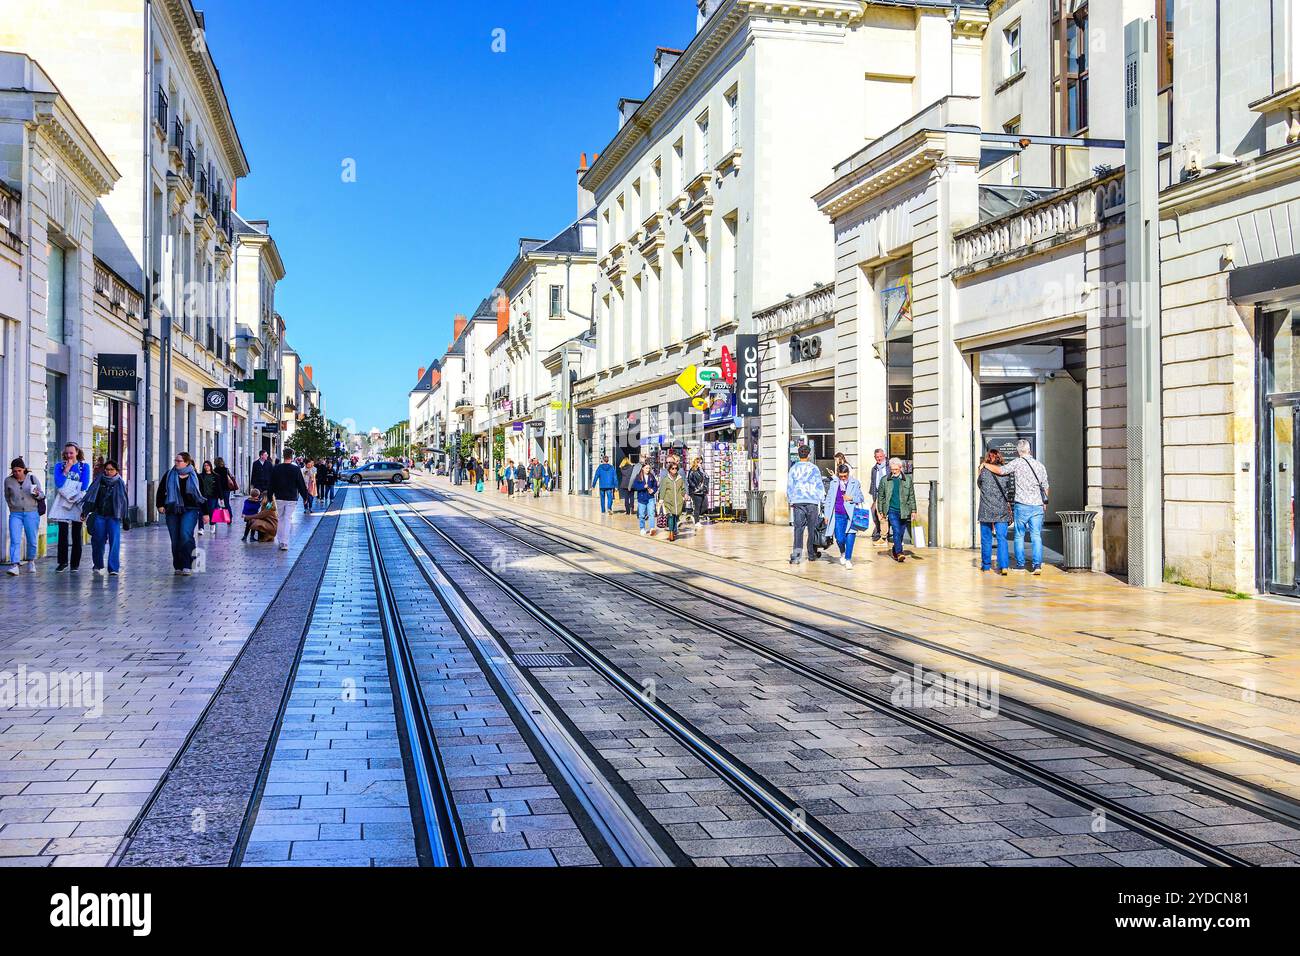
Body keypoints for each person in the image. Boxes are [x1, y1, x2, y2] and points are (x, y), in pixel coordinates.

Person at [984, 439, 1050, 575]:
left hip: (1022, 505)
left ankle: (1020, 565)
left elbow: (1001, 471)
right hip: (1037, 505)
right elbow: (1046, 487)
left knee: (1019, 535)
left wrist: (985, 464)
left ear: (1018, 452)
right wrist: (1044, 503)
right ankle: (1037, 565)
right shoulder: (1039, 465)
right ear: (1029, 450)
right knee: (1036, 535)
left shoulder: (1017, 463)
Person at [156, 452, 205, 575]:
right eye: (175, 460)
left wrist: (206, 513)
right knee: (175, 539)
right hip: (172, 509)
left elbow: (202, 495)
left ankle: (187, 565)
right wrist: (160, 505)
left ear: (187, 462)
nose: (176, 463)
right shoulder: (169, 475)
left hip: (191, 509)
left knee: (185, 534)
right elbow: (161, 490)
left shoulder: (195, 476)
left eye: (179, 461)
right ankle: (178, 564)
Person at [50, 442, 91, 572]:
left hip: (77, 501)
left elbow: (84, 485)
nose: (69, 455)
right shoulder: (59, 466)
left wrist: (72, 493)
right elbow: (59, 483)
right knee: (62, 533)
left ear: (77, 452)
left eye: (71, 453)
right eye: (66, 453)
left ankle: (75, 564)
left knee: (76, 533)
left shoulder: (84, 466)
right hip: (62, 502)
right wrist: (66, 469)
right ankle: (62, 562)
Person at [82, 459, 128, 575]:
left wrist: (126, 518)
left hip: (114, 516)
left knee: (114, 542)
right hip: (100, 515)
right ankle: (97, 564)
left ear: (116, 470)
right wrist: (85, 512)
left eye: (111, 469)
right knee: (97, 541)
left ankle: (113, 568)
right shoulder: (99, 481)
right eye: (107, 469)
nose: (108, 472)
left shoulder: (120, 483)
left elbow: (124, 502)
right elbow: (91, 497)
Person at [976, 447, 1014, 575]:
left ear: (987, 458)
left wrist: (980, 470)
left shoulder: (984, 473)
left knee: (986, 539)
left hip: (985, 510)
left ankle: (986, 566)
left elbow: (980, 485)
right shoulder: (1005, 472)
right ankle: (1004, 566)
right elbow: (1009, 490)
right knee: (1001, 538)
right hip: (1001, 510)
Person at [4, 458, 44, 576]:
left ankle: (31, 561)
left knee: (32, 540)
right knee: (15, 539)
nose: (17, 473)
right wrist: (12, 507)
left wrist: (37, 494)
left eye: (19, 470)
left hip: (31, 512)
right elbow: (7, 496)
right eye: (14, 471)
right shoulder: (8, 481)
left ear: (24, 469)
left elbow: (41, 495)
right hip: (15, 513)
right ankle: (15, 565)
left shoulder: (32, 478)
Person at [823, 462, 866, 569]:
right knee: (840, 538)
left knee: (851, 536)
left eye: (845, 476)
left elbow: (861, 498)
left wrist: (851, 498)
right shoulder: (834, 483)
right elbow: (828, 500)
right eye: (841, 476)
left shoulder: (854, 483)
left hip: (851, 515)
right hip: (837, 514)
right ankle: (842, 552)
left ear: (848, 474)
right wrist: (826, 515)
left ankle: (848, 559)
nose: (843, 478)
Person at [875, 457, 918, 563]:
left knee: (901, 533)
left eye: (896, 469)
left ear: (900, 468)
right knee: (896, 531)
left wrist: (913, 510)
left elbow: (912, 496)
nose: (894, 471)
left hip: (904, 510)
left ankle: (895, 549)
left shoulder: (907, 480)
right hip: (891, 510)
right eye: (892, 469)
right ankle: (899, 553)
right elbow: (880, 496)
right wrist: (881, 511)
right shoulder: (885, 480)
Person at [786, 445, 823, 564]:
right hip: (812, 501)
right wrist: (821, 500)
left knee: (798, 529)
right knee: (812, 529)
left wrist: (791, 500)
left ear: (798, 455)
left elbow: (790, 486)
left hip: (798, 501)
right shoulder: (814, 468)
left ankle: (796, 556)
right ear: (809, 454)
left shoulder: (793, 468)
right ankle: (811, 554)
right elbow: (819, 485)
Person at [269, 448, 310, 551]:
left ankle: (280, 540)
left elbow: (271, 484)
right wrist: (305, 497)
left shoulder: (276, 468)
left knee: (281, 519)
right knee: (287, 519)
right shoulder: (295, 469)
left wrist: (270, 497)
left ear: (283, 455)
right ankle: (285, 542)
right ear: (291, 457)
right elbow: (301, 484)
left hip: (279, 497)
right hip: (291, 497)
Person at [658, 459, 687, 541]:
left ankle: (674, 530)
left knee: (675, 517)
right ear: (669, 469)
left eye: (675, 468)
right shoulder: (666, 479)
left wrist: (684, 494)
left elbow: (683, 489)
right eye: (672, 468)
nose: (674, 470)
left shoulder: (680, 479)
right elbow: (662, 490)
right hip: (668, 501)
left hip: (678, 502)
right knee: (670, 516)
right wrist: (661, 499)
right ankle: (671, 533)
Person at [866, 448, 888, 542]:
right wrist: (874, 497)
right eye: (877, 457)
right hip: (879, 495)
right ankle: (880, 531)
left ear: (884, 456)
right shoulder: (874, 469)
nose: (879, 458)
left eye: (881, 456)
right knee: (874, 512)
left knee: (886, 514)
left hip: (888, 493)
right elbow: (873, 483)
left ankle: (884, 534)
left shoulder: (890, 466)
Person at [631, 461, 659, 535]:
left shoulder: (651, 476)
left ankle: (652, 528)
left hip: (650, 497)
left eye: (649, 468)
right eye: (646, 468)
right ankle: (642, 528)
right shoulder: (638, 476)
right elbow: (635, 486)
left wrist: (653, 490)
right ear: (643, 468)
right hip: (642, 498)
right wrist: (643, 487)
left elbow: (655, 486)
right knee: (642, 514)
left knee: (651, 513)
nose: (648, 470)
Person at [197, 460, 219, 535]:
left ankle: (212, 525)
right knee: (201, 512)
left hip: (213, 497)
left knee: (212, 511)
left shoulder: (215, 476)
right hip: (202, 497)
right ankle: (201, 528)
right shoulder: (200, 476)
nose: (206, 467)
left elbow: (219, 488)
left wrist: (221, 498)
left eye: (207, 465)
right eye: (205, 466)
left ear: (210, 466)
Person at [687, 457, 709, 525]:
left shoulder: (702, 471)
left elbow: (707, 478)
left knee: (705, 506)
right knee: (697, 506)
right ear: (696, 463)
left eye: (701, 463)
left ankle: (694, 516)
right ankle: (697, 521)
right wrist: (695, 487)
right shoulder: (692, 471)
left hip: (702, 491)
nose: (701, 464)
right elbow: (690, 480)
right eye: (699, 463)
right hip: (695, 491)